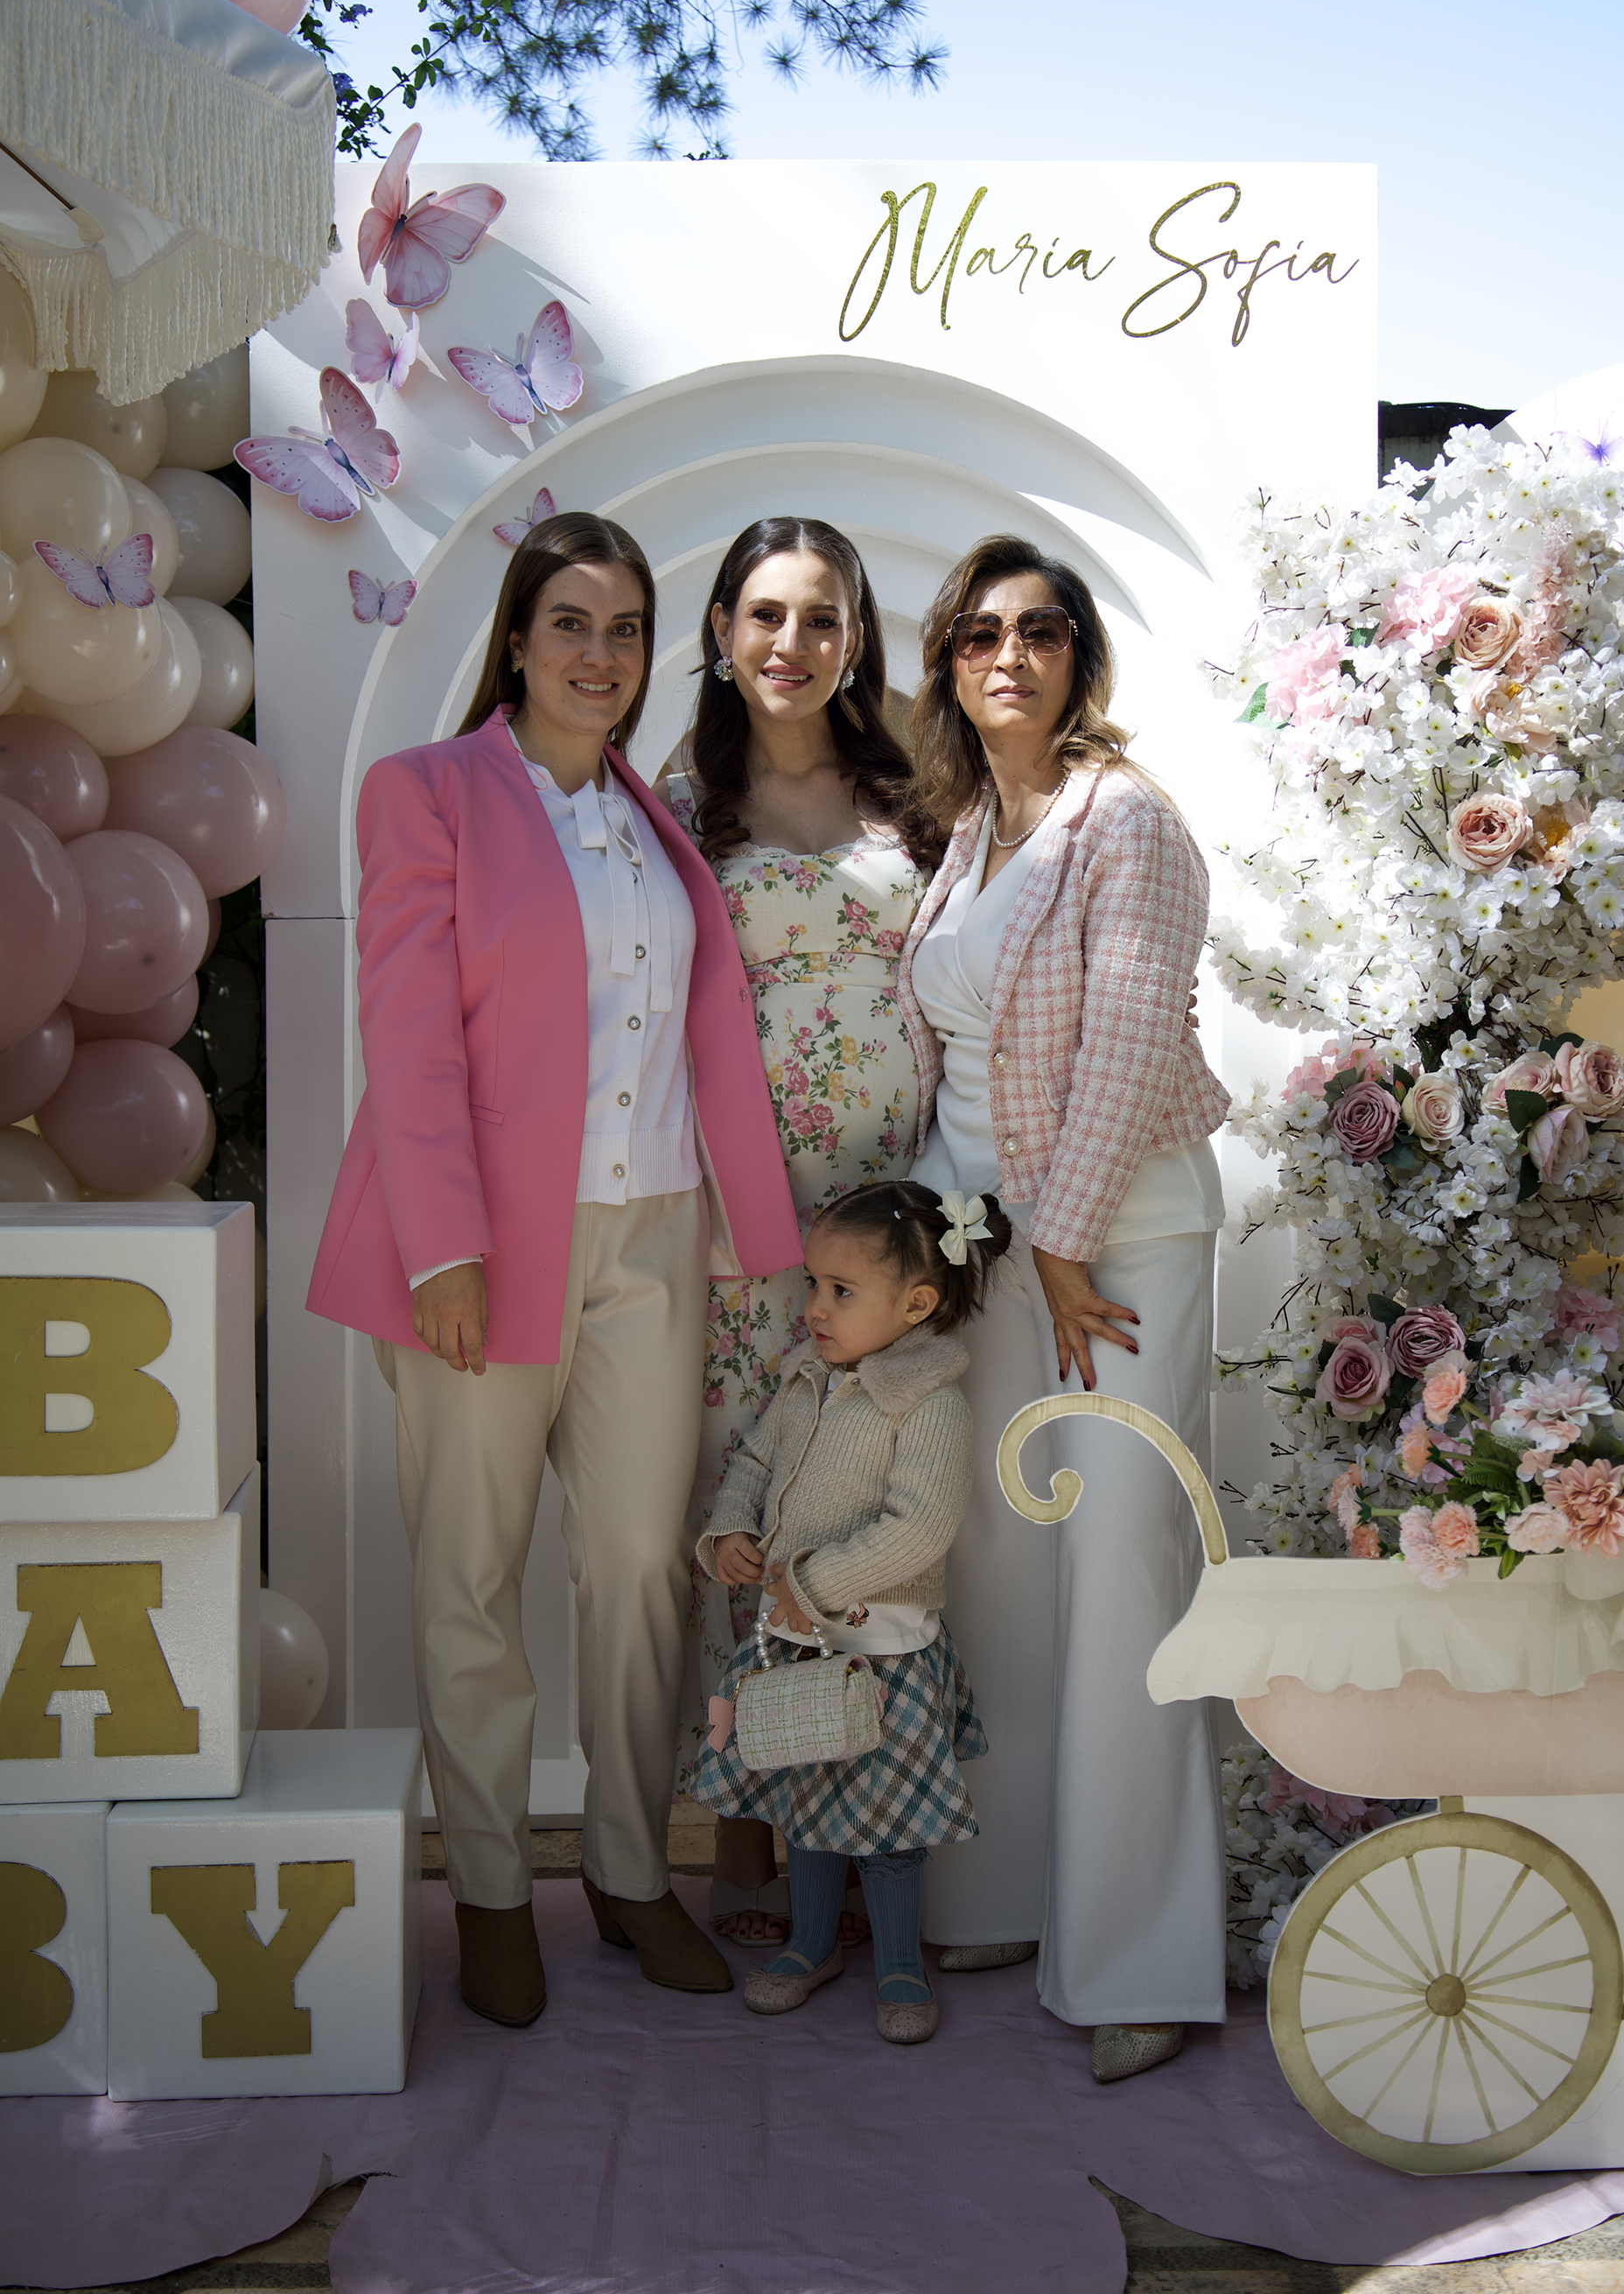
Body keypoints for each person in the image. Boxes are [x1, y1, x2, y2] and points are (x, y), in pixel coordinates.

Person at [306, 513, 802, 2029]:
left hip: (655, 1233)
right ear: (517, 641)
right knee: (469, 1571)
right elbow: (407, 1036)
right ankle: (489, 1890)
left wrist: (752, 1237)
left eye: (625, 627)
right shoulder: (427, 793)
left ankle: (633, 1872)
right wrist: (443, 1248)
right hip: (484, 1239)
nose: (600, 653)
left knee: (642, 1567)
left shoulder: (656, 820)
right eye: (569, 622)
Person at [896, 531, 1231, 2084]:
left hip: (1117, 1248)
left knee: (1121, 1567)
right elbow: (962, 1064)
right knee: (1001, 1568)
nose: (1009, 656)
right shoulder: (974, 824)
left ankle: (1140, 1954)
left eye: (1041, 631)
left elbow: (1128, 1047)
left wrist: (1061, 1242)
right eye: (979, 634)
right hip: (989, 1246)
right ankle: (1008, 1892)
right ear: (950, 664)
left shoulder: (1128, 820)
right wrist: (953, 1232)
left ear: (1080, 657)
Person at [658, 516, 939, 1947]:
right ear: (721, 631)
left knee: (883, 1522)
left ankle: (879, 1828)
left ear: (855, 639)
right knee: (757, 1520)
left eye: (821, 617)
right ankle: (750, 1839)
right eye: (765, 614)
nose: (791, 642)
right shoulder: (678, 801)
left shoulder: (918, 791)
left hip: (896, 1221)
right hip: (746, 1233)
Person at [691, 1179, 1010, 2042]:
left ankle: (899, 1961)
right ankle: (810, 1943)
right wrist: (730, 1528)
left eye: (840, 1290)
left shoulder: (929, 1403)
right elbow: (755, 1463)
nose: (814, 1308)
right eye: (813, 1284)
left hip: (882, 1653)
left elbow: (921, 1527)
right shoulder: (809, 1380)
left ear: (916, 1304)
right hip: (793, 1648)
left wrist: (815, 1581)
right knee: (807, 1809)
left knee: (889, 1825)